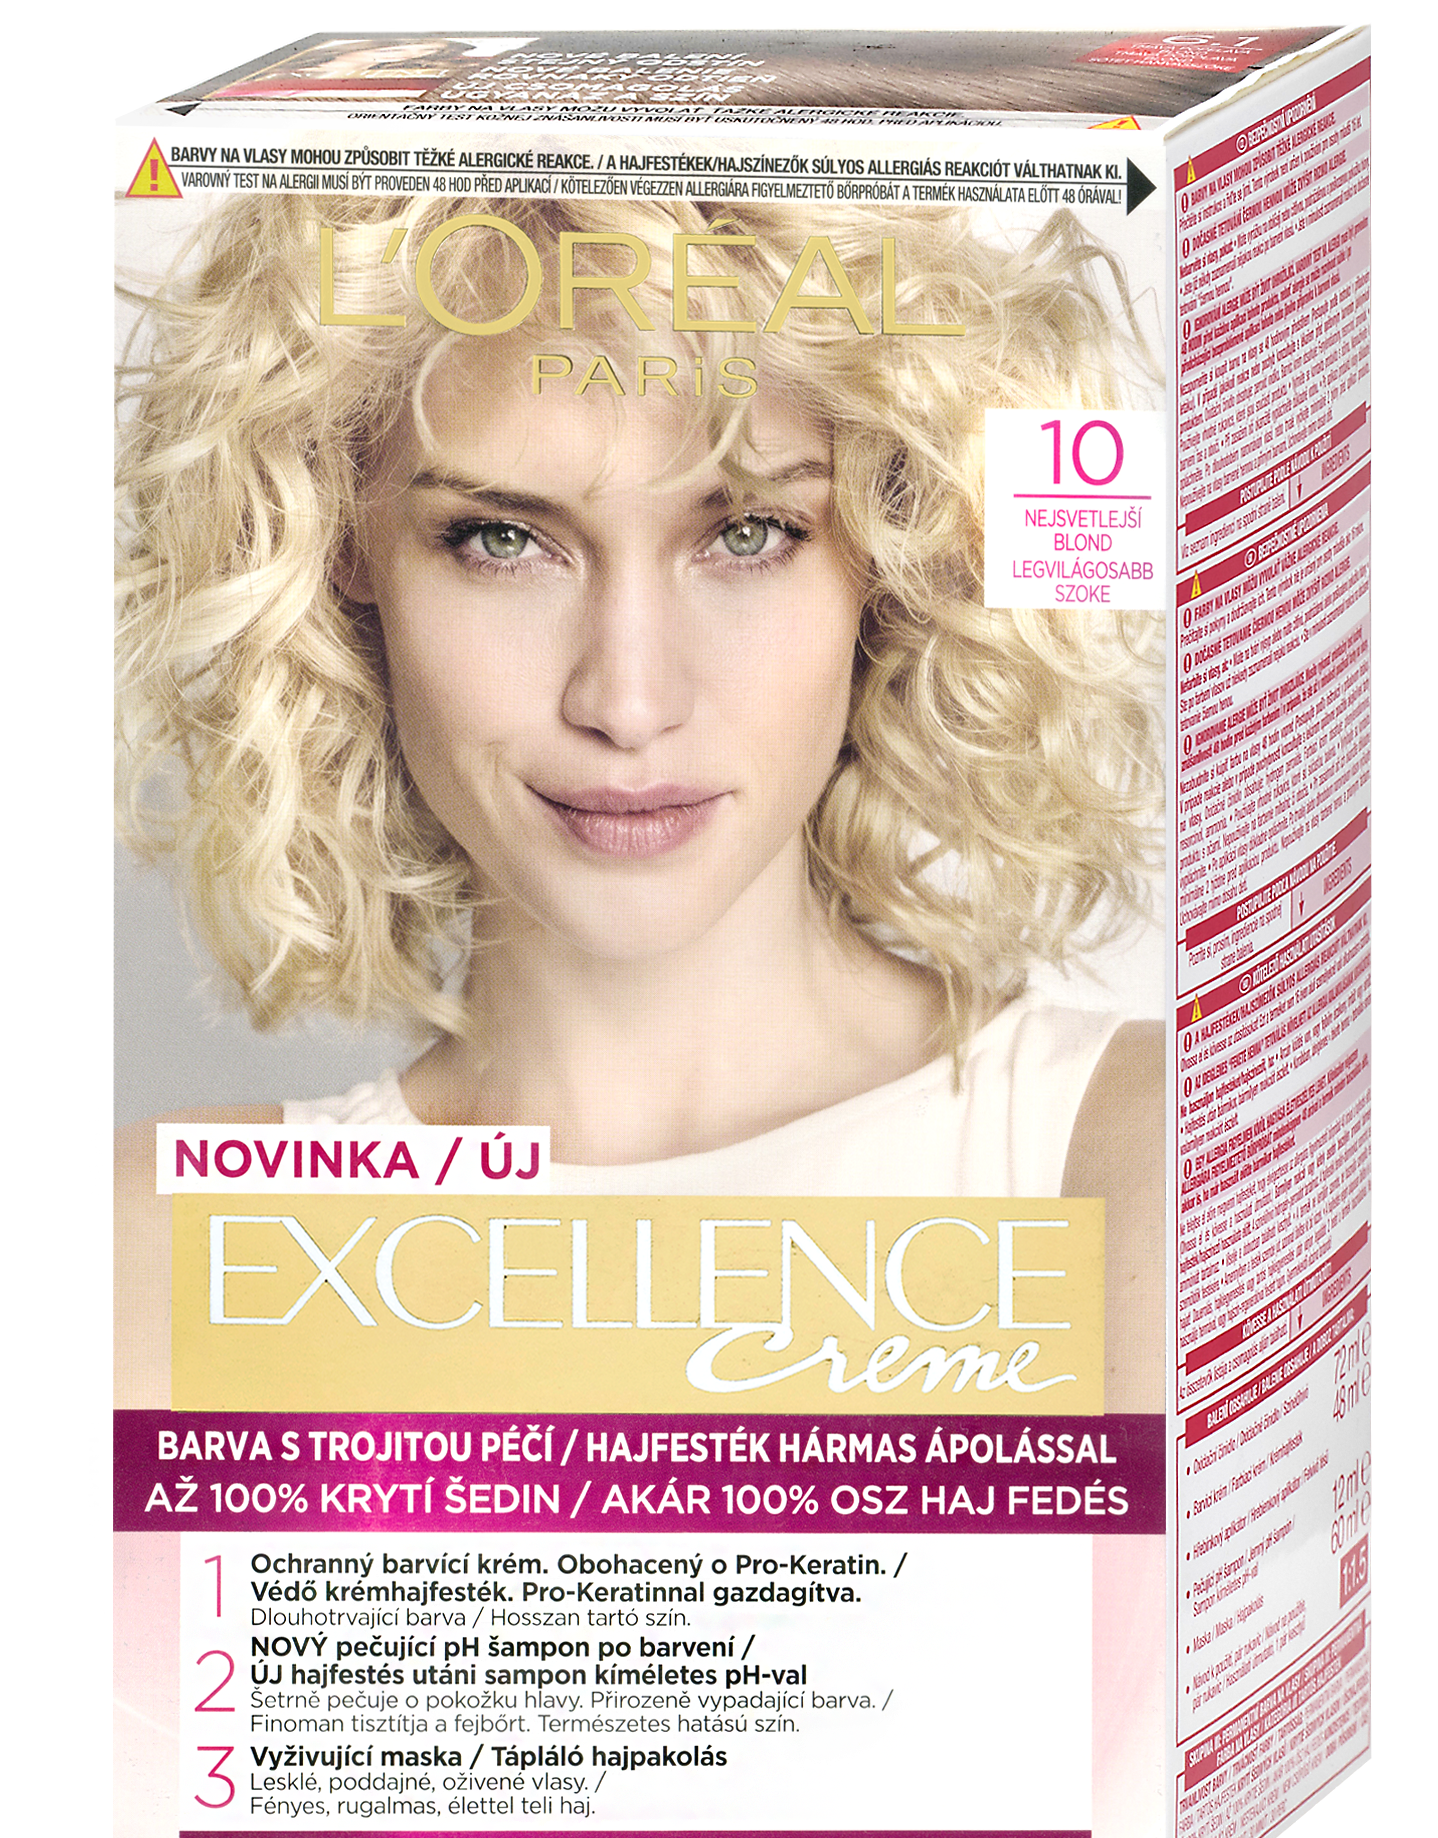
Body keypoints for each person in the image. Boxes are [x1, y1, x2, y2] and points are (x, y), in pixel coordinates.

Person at [115, 192, 1166, 1408]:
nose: (626, 700)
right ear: (337, 541)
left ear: (893, 547)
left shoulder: (1129, 1155)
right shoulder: (159, 1253)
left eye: (751, 534)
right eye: (500, 540)